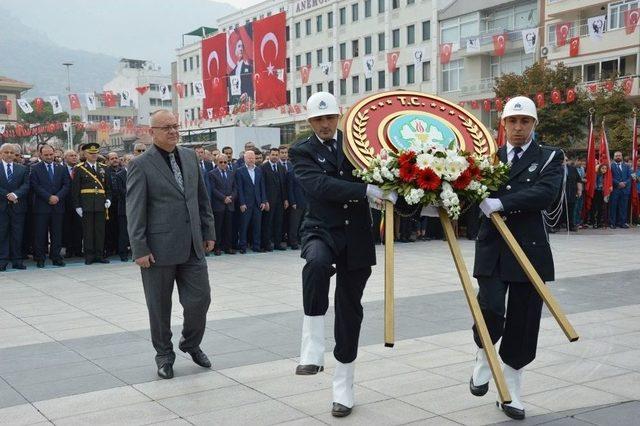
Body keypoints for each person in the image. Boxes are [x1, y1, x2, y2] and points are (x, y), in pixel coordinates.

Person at [289, 92, 397, 417]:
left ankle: (344, 385)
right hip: (320, 228)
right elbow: (319, 186)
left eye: (329, 118)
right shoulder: (301, 151)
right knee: (317, 264)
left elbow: (383, 173)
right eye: (318, 119)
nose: (324, 124)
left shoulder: (358, 146)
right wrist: (364, 190)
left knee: (350, 310)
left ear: (339, 117)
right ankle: (311, 348)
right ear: (309, 122)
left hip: (356, 235)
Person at [470, 96, 563, 421]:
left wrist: (502, 203)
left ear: (534, 125)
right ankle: (483, 354)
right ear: (503, 124)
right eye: (513, 122)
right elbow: (465, 193)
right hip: (493, 249)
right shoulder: (487, 158)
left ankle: (511, 391)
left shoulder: (550, 157)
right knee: (490, 309)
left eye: (525, 122)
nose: (519, 128)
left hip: (529, 248)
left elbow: (545, 193)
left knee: (523, 323)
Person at [127, 110, 216, 380]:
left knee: (201, 299)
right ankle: (164, 355)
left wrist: (208, 230)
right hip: (158, 249)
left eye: (175, 126)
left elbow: (202, 198)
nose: (173, 131)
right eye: (166, 127)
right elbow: (135, 209)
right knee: (159, 306)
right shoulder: (141, 164)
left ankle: (190, 343)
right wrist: (139, 248)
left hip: (193, 245)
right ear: (152, 132)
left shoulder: (190, 157)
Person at [30, 144, 70, 267]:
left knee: (56, 233)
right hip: (42, 206)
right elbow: (35, 186)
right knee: (40, 234)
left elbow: (66, 185)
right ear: (40, 155)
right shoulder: (35, 168)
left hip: (58, 205)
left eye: (51, 154)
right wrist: (48, 197)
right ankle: (40, 258)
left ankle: (56, 257)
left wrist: (57, 196)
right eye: (46, 155)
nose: (49, 157)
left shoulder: (61, 168)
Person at [72, 143, 112, 265]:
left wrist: (109, 199)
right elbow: (75, 190)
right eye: (91, 153)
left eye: (95, 153)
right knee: (88, 231)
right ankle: (89, 255)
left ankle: (99, 255)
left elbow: (108, 188)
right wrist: (77, 206)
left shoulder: (104, 168)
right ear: (85, 154)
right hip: (86, 204)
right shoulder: (79, 168)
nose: (94, 155)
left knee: (100, 231)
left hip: (100, 203)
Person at [0, 143, 30, 271]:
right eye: (6, 152)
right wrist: (7, 195)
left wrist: (15, 194)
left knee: (17, 234)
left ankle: (17, 260)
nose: (9, 155)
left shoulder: (22, 169)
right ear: (1, 154)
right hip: (1, 207)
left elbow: (27, 185)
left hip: (18, 207)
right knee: (2, 234)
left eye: (12, 152)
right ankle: (2, 261)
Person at [235, 149, 267, 253]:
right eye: (249, 158)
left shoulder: (258, 170)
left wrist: (263, 201)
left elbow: (262, 187)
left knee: (257, 226)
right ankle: (243, 246)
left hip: (258, 203)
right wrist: (242, 203)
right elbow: (239, 188)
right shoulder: (240, 171)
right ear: (244, 159)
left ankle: (256, 246)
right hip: (246, 204)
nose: (251, 160)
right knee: (244, 226)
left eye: (253, 158)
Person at [208, 154, 237, 255]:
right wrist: (223, 198)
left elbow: (235, 188)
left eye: (225, 162)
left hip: (230, 204)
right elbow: (213, 189)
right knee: (218, 227)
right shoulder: (212, 174)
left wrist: (231, 198)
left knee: (229, 227)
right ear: (216, 162)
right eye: (221, 162)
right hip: (218, 205)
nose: (223, 164)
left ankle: (228, 247)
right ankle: (217, 247)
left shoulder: (231, 173)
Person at [261, 147, 288, 251]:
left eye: (277, 155)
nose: (275, 157)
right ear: (269, 155)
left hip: (280, 201)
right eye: (273, 155)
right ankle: (267, 244)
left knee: (278, 222)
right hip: (269, 201)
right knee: (268, 223)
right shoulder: (264, 167)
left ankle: (277, 243)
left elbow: (284, 185)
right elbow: (262, 185)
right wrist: (265, 200)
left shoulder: (281, 167)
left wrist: (285, 199)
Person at [62, 150, 83, 257]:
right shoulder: (61, 169)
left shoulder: (81, 169)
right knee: (67, 227)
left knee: (79, 227)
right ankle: (69, 250)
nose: (74, 157)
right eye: (71, 156)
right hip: (65, 203)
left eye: (75, 156)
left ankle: (78, 249)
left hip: (79, 203)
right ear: (65, 158)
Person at [114, 155, 132, 261]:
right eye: (128, 160)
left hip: (137, 207)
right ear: (124, 162)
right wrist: (134, 194)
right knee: (124, 232)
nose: (130, 162)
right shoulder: (119, 175)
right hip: (124, 207)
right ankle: (123, 253)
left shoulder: (138, 173)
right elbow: (119, 191)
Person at [609, 151, 632, 228]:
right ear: (614, 157)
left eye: (619, 155)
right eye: (616, 156)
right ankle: (613, 223)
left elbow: (630, 177)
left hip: (625, 190)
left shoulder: (627, 166)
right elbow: (610, 177)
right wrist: (618, 183)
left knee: (623, 207)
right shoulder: (610, 166)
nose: (618, 157)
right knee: (613, 207)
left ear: (622, 157)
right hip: (615, 189)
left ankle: (622, 223)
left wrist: (624, 183)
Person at [589, 164, 608, 228]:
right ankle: (594, 222)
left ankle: (599, 222)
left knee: (601, 208)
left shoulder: (605, 176)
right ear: (599, 168)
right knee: (595, 207)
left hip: (602, 193)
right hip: (596, 192)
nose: (604, 170)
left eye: (605, 169)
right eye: (603, 168)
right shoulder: (597, 174)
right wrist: (601, 186)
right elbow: (596, 184)